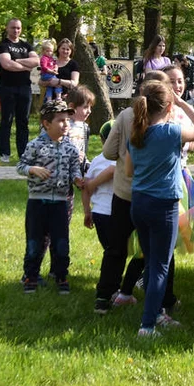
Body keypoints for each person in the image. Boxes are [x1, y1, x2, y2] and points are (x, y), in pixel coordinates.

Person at [126, 78, 194, 337]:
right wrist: (185, 105)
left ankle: (154, 315)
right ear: (168, 105)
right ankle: (148, 324)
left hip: (139, 202)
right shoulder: (171, 132)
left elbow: (129, 170)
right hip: (163, 206)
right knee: (161, 265)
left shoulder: (136, 132)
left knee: (151, 262)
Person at [97, 71, 171, 310]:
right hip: (155, 194)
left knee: (115, 247)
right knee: (159, 251)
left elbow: (108, 152)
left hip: (124, 192)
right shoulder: (167, 120)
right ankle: (163, 300)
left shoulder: (126, 115)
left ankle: (104, 295)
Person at [17, 99, 84, 295]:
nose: (66, 124)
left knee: (61, 241)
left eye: (67, 120)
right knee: (35, 241)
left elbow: (74, 169)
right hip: (38, 201)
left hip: (61, 202)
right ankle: (30, 276)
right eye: (61, 120)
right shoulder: (35, 145)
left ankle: (61, 276)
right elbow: (20, 166)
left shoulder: (71, 148)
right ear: (46, 124)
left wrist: (78, 180)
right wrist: (32, 169)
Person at [85, 121, 117, 314]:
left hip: (98, 212)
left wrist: (87, 210)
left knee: (110, 250)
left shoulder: (96, 159)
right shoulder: (116, 158)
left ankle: (114, 288)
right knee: (115, 252)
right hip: (111, 213)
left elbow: (85, 186)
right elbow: (113, 171)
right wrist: (94, 183)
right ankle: (111, 290)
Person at [0, 18, 39, 163]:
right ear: (7, 28)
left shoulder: (26, 45)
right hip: (7, 87)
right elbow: (6, 64)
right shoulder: (3, 45)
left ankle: (23, 153)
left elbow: (36, 62)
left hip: (24, 87)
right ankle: (4, 153)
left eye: (18, 28)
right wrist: (25, 65)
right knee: (7, 119)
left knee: (23, 121)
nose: (16, 31)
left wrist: (17, 61)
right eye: (13, 28)